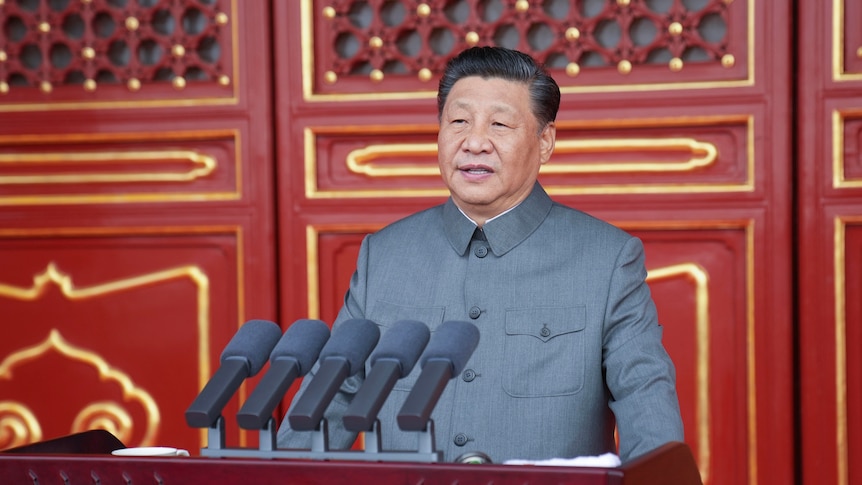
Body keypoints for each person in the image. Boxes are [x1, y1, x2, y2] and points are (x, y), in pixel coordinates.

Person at [277, 46, 684, 464]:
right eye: (458, 121)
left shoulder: (606, 260)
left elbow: (644, 398)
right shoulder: (384, 255)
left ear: (545, 142)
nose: (474, 142)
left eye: (500, 124)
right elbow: (333, 400)